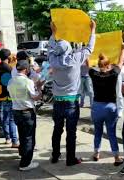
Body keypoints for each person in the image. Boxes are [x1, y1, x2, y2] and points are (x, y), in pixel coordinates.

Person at [48, 20, 96, 166]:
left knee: (57, 130)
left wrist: (53, 32)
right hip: (71, 103)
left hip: (57, 102)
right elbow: (90, 48)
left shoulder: (52, 59)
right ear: (69, 48)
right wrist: (92, 30)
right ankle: (70, 159)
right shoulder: (75, 59)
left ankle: (55, 156)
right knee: (71, 132)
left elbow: (51, 45)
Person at [88, 44, 124, 165]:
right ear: (109, 65)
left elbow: (87, 63)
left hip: (97, 107)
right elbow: (121, 61)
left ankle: (96, 153)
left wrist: (88, 50)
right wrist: (123, 49)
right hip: (110, 107)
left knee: (97, 131)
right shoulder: (114, 74)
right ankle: (116, 157)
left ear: (99, 65)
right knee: (111, 133)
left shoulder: (94, 74)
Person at [7, 60, 42, 171]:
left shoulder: (11, 81)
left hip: (16, 111)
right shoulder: (28, 81)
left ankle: (23, 155)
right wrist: (40, 89)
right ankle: (25, 163)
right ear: (26, 70)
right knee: (28, 138)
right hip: (27, 112)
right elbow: (35, 97)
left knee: (22, 135)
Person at [0, 49, 19, 148]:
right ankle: (14, 140)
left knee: (5, 117)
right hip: (10, 94)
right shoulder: (8, 68)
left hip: (3, 94)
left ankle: (7, 138)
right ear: (8, 57)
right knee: (11, 119)